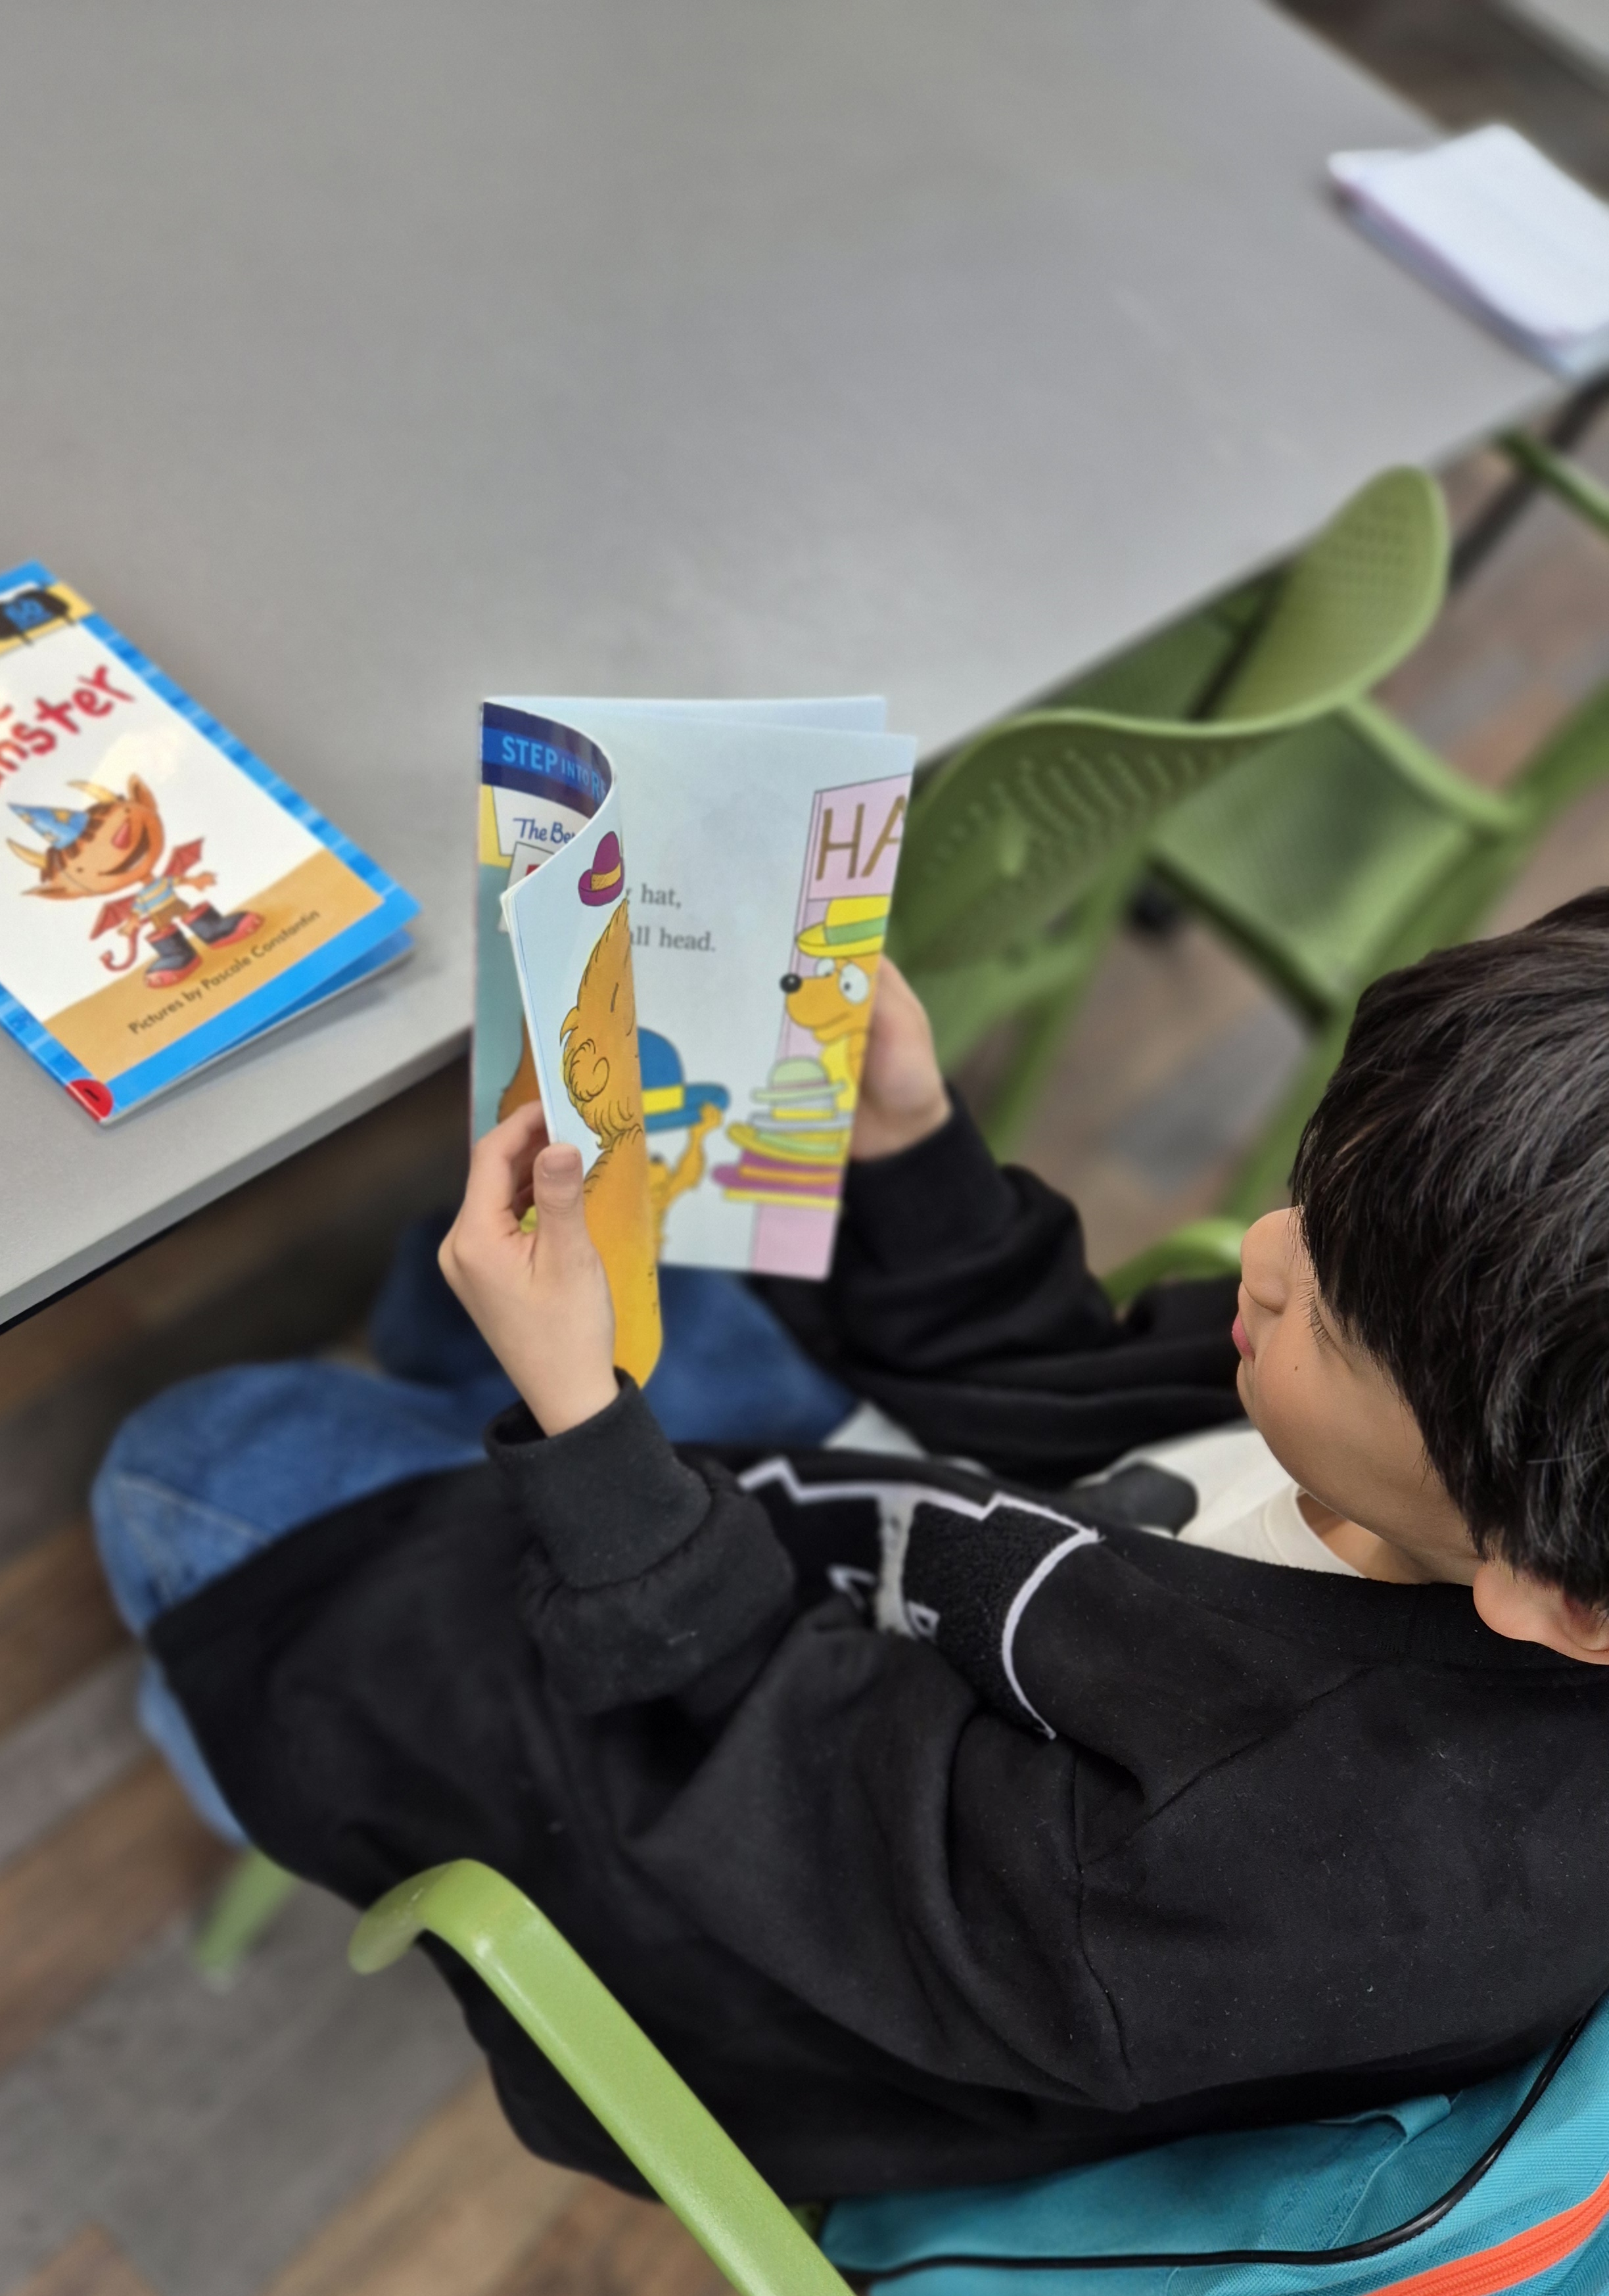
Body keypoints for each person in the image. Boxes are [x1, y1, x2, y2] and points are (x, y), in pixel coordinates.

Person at [92, 899, 1609, 2203]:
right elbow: (1077, 1399)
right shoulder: (1492, 1446)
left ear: (1561, 1600)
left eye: (1330, 1322)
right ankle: (428, 1452)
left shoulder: (1321, 1871)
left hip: (752, 1868)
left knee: (190, 1467)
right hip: (864, 1582)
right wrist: (911, 1152)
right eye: (1308, 1209)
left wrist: (588, 1436)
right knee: (520, 1236)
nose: (1262, 1255)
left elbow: (816, 1824)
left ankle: (254, 1747)